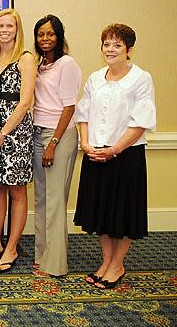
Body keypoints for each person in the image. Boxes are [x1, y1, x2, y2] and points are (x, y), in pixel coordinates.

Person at [73, 23, 155, 289]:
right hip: (95, 154)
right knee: (101, 213)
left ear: (128, 50)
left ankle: (118, 265)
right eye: (107, 44)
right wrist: (86, 144)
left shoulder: (141, 79)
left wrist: (115, 150)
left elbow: (140, 122)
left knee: (122, 213)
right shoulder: (95, 78)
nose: (110, 49)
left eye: (117, 45)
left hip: (125, 157)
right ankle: (106, 262)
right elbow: (83, 114)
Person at [0, 9, 36, 273]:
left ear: (17, 29)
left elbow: (25, 102)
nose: (4, 30)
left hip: (16, 133)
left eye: (9, 26)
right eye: (0, 25)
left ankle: (12, 247)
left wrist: (2, 135)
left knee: (17, 190)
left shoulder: (25, 59)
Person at [31, 15, 82, 278]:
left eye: (50, 34)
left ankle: (56, 264)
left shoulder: (67, 64)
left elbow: (69, 106)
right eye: (41, 34)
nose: (45, 38)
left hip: (58, 136)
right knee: (41, 199)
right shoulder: (40, 66)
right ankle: (42, 255)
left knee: (55, 200)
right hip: (37, 132)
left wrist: (53, 142)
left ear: (59, 36)